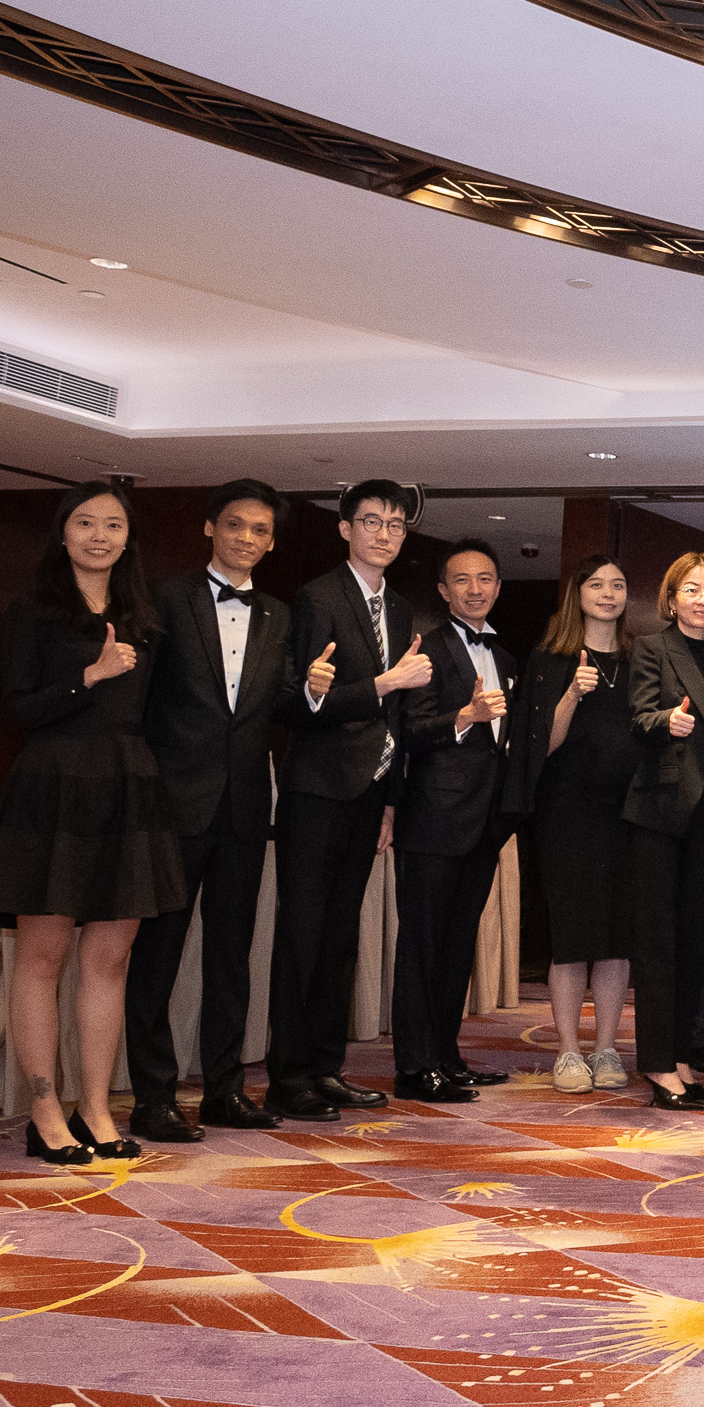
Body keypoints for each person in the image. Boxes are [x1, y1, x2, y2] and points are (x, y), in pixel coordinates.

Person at [0, 480, 185, 1164]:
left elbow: (158, 712)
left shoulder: (145, 616)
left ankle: (95, 1106)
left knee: (110, 958)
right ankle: (44, 1110)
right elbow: (17, 709)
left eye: (113, 524)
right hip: (53, 785)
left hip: (127, 787)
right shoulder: (33, 608)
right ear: (62, 531)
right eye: (85, 522)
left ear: (129, 537)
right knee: (42, 956)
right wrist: (88, 676)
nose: (99, 536)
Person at [127, 480, 290, 1141]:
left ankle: (224, 1089)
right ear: (210, 528)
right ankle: (153, 1096)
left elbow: (280, 702)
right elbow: (140, 702)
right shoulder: (165, 598)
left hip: (246, 807)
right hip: (173, 804)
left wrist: (312, 691)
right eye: (235, 524)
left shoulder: (279, 614)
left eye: (260, 530)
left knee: (231, 958)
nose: (246, 537)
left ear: (271, 542)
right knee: (157, 956)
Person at [265, 479, 428, 1122]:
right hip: (317, 789)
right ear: (345, 529)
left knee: (340, 936)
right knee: (303, 935)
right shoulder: (318, 597)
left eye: (396, 524)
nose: (385, 534)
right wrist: (385, 681)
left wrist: (390, 800)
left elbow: (398, 717)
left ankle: (325, 1067)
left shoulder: (401, 607)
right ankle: (288, 1077)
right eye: (372, 522)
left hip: (368, 790)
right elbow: (304, 704)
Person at [386, 541, 520, 1104]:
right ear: (443, 590)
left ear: (498, 587)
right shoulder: (428, 649)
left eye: (485, 578)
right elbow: (409, 732)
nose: (475, 589)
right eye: (462, 579)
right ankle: (415, 1067)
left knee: (458, 945)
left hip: (484, 824)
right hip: (433, 818)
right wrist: (465, 716)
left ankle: (446, 1056)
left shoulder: (505, 657)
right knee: (422, 945)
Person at [506, 555, 639, 1096]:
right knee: (571, 935)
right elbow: (540, 746)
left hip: (625, 814)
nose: (608, 594)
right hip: (566, 813)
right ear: (576, 594)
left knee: (615, 936)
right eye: (597, 584)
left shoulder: (638, 658)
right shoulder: (549, 658)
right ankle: (567, 1050)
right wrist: (572, 695)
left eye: (618, 584)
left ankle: (606, 1048)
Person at [624, 552, 704, 1105]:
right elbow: (638, 716)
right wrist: (664, 721)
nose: (703, 600)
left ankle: (678, 1058)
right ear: (672, 599)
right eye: (692, 590)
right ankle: (656, 1064)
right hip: (663, 814)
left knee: (694, 945)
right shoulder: (652, 647)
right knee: (658, 945)